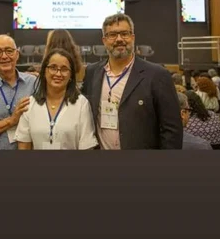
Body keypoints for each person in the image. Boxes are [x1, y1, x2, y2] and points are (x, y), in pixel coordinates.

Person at [82, 13, 183, 149]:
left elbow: (172, 131)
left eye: (124, 34)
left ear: (133, 38)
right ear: (104, 40)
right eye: (112, 35)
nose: (119, 39)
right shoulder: (92, 72)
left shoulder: (157, 75)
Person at [16, 48, 98, 150]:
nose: (58, 74)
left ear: (71, 75)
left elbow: (87, 146)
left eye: (64, 69)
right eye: (53, 68)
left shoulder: (81, 104)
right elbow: (24, 147)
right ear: (44, 71)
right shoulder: (29, 104)